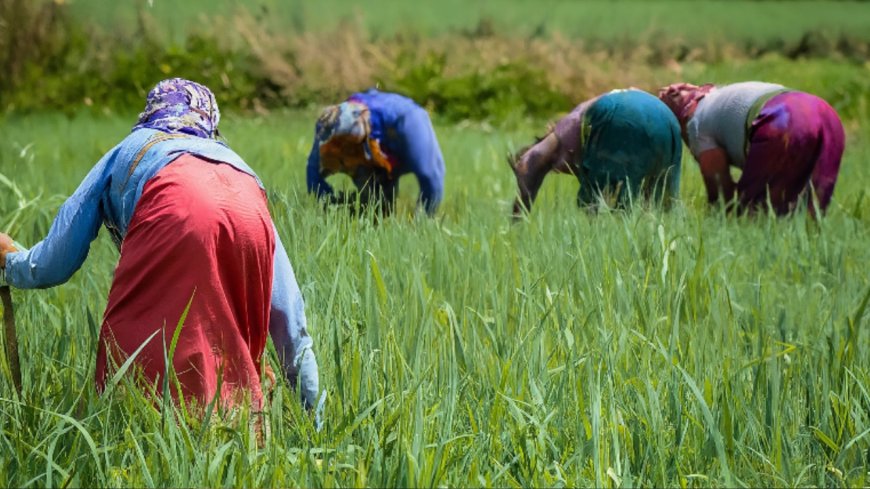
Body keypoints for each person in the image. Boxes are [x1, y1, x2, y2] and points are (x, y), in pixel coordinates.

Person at [0, 78, 318, 412]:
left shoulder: (132, 147)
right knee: (226, 347)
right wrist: (315, 426)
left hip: (171, 200)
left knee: (134, 360)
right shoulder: (241, 170)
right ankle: (236, 437)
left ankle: (137, 443)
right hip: (249, 210)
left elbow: (54, 263)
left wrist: (11, 260)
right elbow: (289, 316)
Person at [658, 81, 845, 215]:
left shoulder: (695, 123)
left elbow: (721, 196)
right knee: (811, 214)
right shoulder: (719, 94)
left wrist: (723, 212)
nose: (670, 88)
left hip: (784, 119)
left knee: (755, 218)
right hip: (825, 113)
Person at [509, 88, 682, 215]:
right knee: (657, 197)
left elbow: (527, 165)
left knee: (595, 204)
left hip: (623, 113)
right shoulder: (578, 132)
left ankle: (604, 238)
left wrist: (516, 218)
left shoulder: (557, 138)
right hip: (664, 116)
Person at [306, 88, 446, 216]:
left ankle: (423, 221)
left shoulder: (406, 117)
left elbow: (431, 176)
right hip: (372, 153)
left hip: (397, 131)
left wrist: (422, 221)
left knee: (427, 172)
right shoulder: (326, 129)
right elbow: (313, 171)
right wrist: (329, 206)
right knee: (375, 208)